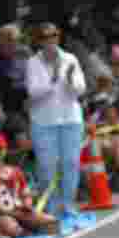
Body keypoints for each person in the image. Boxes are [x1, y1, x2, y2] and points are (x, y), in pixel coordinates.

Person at [25, 22, 87, 220]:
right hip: (43, 121)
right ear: (39, 41)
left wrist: (69, 80)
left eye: (54, 36)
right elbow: (33, 92)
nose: (50, 40)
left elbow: (81, 89)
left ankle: (68, 205)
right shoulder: (32, 62)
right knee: (46, 166)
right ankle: (51, 208)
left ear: (58, 38)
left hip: (70, 118)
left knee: (70, 163)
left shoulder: (70, 58)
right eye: (45, 37)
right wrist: (52, 78)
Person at [0, 131, 59, 238]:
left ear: (5, 150)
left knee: (53, 223)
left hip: (21, 210)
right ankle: (22, 227)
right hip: (2, 215)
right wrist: (12, 213)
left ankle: (28, 225)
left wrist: (27, 204)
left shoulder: (16, 170)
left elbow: (26, 194)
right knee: (12, 230)